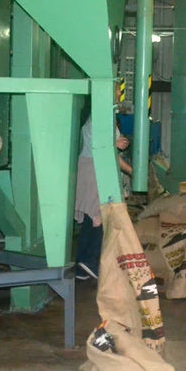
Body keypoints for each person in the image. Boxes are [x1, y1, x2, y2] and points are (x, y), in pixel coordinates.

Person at [74, 114, 133, 280]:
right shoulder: (100, 119)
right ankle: (91, 261)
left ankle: (81, 267)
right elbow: (102, 149)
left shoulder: (100, 118)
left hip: (94, 169)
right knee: (101, 217)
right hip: (94, 171)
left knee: (90, 220)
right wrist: (132, 171)